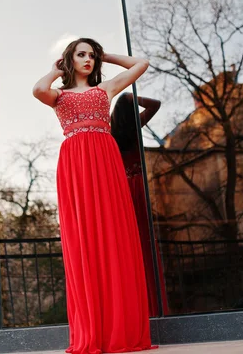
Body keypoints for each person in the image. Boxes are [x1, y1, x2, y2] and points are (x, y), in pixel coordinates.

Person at [32, 38, 158, 354]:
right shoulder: (58, 95)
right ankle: (94, 331)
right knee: (84, 242)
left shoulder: (106, 90)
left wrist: (107, 56)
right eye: (82, 54)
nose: (88, 59)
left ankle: (120, 328)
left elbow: (140, 64)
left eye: (92, 55)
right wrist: (54, 69)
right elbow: (37, 90)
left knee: (114, 238)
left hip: (105, 159)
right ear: (69, 59)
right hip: (75, 164)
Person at [110, 92, 169, 317]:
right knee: (145, 238)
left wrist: (124, 101)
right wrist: (132, 97)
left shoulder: (111, 133)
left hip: (124, 188)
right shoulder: (136, 125)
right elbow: (156, 103)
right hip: (138, 185)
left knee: (131, 243)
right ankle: (154, 305)